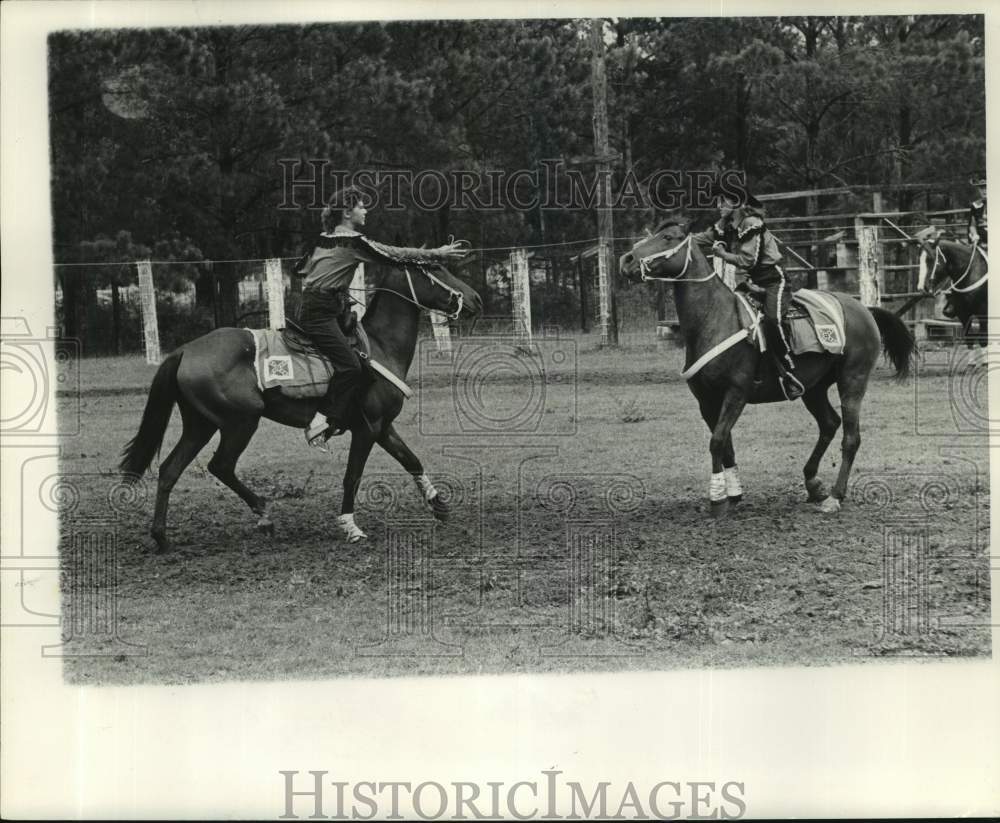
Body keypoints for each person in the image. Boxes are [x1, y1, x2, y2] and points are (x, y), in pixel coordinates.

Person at [295, 185, 468, 447]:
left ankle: (357, 411)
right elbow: (393, 254)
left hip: (316, 307)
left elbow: (300, 269)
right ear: (346, 213)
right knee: (350, 366)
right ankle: (321, 422)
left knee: (359, 360)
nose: (365, 210)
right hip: (321, 313)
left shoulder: (322, 238)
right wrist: (436, 253)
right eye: (361, 206)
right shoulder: (353, 241)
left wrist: (330, 279)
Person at [690, 186, 805, 400]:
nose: (718, 206)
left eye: (722, 202)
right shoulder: (725, 225)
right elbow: (701, 239)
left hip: (773, 281)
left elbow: (747, 260)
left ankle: (788, 368)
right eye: (717, 202)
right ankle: (751, 369)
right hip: (752, 283)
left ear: (736, 204)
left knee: (772, 320)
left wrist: (722, 254)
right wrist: (677, 240)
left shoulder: (752, 224)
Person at [967, 175, 987, 247]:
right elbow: (972, 225)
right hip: (980, 242)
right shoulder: (975, 205)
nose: (984, 191)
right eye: (981, 188)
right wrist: (975, 235)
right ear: (978, 189)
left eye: (986, 187)